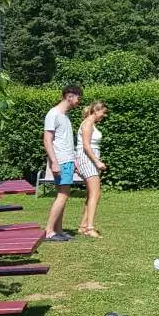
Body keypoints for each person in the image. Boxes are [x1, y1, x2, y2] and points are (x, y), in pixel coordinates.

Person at [42, 84, 83, 242]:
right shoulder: (53, 114)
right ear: (69, 96)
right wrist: (54, 162)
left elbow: (66, 142)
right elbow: (47, 140)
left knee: (63, 194)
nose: (78, 102)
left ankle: (58, 230)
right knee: (63, 194)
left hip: (67, 160)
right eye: (78, 98)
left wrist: (74, 160)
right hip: (60, 160)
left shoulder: (64, 116)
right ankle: (49, 231)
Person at [74, 101, 109, 239]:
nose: (104, 115)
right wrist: (97, 162)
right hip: (88, 160)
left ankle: (83, 226)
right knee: (95, 194)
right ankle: (90, 228)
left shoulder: (90, 123)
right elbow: (86, 146)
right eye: (103, 112)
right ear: (96, 110)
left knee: (91, 194)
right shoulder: (88, 123)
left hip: (89, 161)